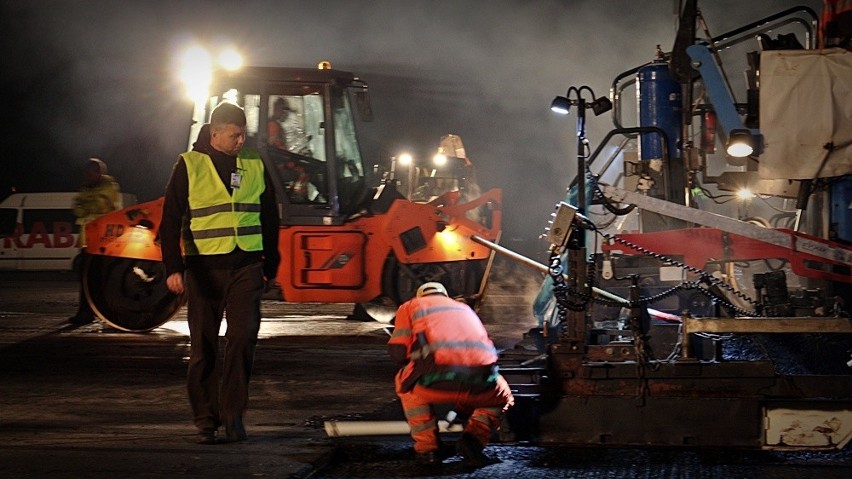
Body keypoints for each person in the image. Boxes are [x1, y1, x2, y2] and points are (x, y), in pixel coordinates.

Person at [160, 102, 281, 445]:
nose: (242, 140)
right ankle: (205, 418)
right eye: (235, 134)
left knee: (243, 337)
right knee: (204, 346)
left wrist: (271, 263)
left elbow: (270, 216)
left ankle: (233, 414)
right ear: (215, 133)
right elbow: (170, 220)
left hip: (246, 265)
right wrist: (173, 268)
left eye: (244, 134)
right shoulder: (189, 164)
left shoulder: (255, 163)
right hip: (203, 269)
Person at [388, 282, 515, 468]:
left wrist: (415, 358)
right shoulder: (464, 309)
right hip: (482, 383)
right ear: (445, 295)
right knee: (502, 397)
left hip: (433, 383)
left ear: (420, 295)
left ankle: (428, 450)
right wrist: (463, 408)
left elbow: (398, 352)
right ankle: (473, 440)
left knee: (405, 384)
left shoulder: (410, 306)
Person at [68, 158, 122, 325]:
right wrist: (86, 206)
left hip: (102, 242)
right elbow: (77, 208)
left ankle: (98, 313)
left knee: (99, 280)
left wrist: (86, 205)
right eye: (87, 174)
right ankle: (88, 312)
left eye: (91, 174)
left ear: (99, 173)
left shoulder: (108, 188)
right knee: (87, 280)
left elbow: (96, 207)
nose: (88, 177)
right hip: (88, 242)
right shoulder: (87, 189)